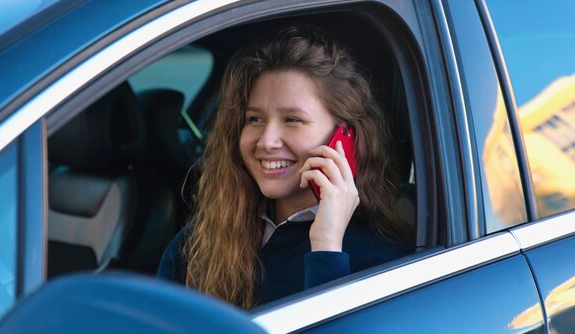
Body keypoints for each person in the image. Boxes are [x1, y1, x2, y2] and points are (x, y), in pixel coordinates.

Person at [157, 23, 411, 309]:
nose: (266, 141)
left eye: (292, 119)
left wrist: (326, 244)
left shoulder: (385, 262)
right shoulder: (204, 237)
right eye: (254, 119)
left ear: (345, 138)